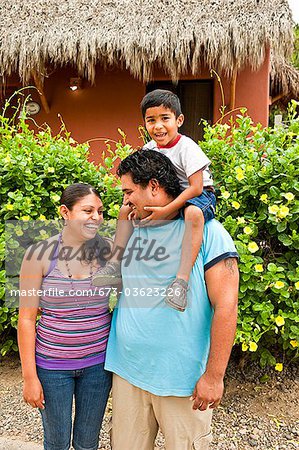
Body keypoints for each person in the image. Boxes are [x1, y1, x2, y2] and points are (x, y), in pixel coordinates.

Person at [105, 150, 239, 450]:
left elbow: (227, 306)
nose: (125, 201)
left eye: (129, 192)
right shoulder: (131, 228)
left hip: (183, 382)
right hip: (128, 373)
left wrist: (214, 376)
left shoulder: (208, 233)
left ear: (153, 186)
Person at [93, 89, 215, 313]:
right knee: (123, 211)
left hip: (198, 195)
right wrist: (130, 201)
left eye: (165, 119)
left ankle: (181, 282)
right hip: (173, 194)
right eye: (151, 120)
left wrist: (167, 209)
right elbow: (135, 176)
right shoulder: (149, 149)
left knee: (193, 214)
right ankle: (114, 264)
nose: (158, 126)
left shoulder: (187, 148)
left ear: (179, 120)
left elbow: (197, 187)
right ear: (144, 124)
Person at [18, 183, 112, 450]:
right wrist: (30, 378)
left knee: (87, 443)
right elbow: (26, 319)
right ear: (65, 212)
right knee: (57, 442)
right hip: (52, 367)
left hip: (98, 367)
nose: (96, 217)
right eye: (87, 210)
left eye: (100, 211)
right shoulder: (39, 255)